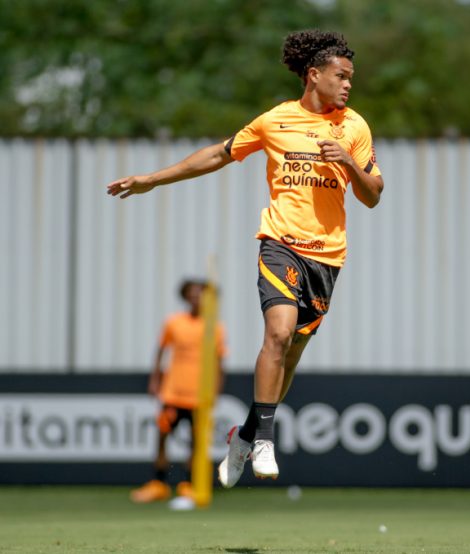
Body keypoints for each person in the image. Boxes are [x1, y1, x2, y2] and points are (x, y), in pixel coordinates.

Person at [108, 30, 383, 487]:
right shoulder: (276, 120)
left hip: (328, 258)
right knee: (277, 334)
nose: (349, 85)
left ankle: (244, 435)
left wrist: (349, 163)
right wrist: (153, 179)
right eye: (341, 76)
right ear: (314, 76)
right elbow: (219, 153)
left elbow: (373, 196)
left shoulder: (353, 127)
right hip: (281, 244)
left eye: (351, 77)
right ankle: (266, 440)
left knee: (289, 356)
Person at [129, 279, 227, 503]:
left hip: (199, 396)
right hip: (173, 393)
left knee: (196, 442)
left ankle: (187, 485)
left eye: (200, 294)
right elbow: (161, 351)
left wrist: (216, 392)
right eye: (192, 294)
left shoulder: (215, 327)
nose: (196, 298)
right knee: (162, 436)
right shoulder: (174, 323)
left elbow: (220, 362)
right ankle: (159, 483)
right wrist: (155, 380)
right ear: (185, 297)